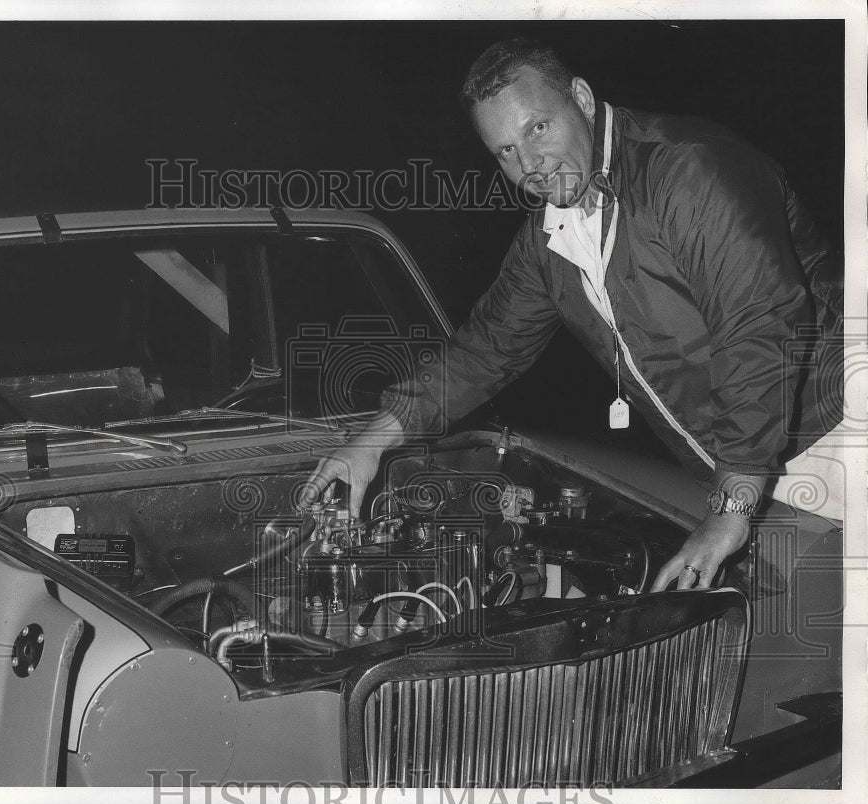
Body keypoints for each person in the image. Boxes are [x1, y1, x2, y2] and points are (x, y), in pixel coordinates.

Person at [299, 38, 844, 592]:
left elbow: (757, 323)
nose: (529, 166)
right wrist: (369, 443)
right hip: (752, 469)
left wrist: (731, 503)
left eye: (537, 128)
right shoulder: (549, 237)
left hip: (835, 433)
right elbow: (486, 349)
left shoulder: (687, 169)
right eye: (505, 151)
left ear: (582, 99)